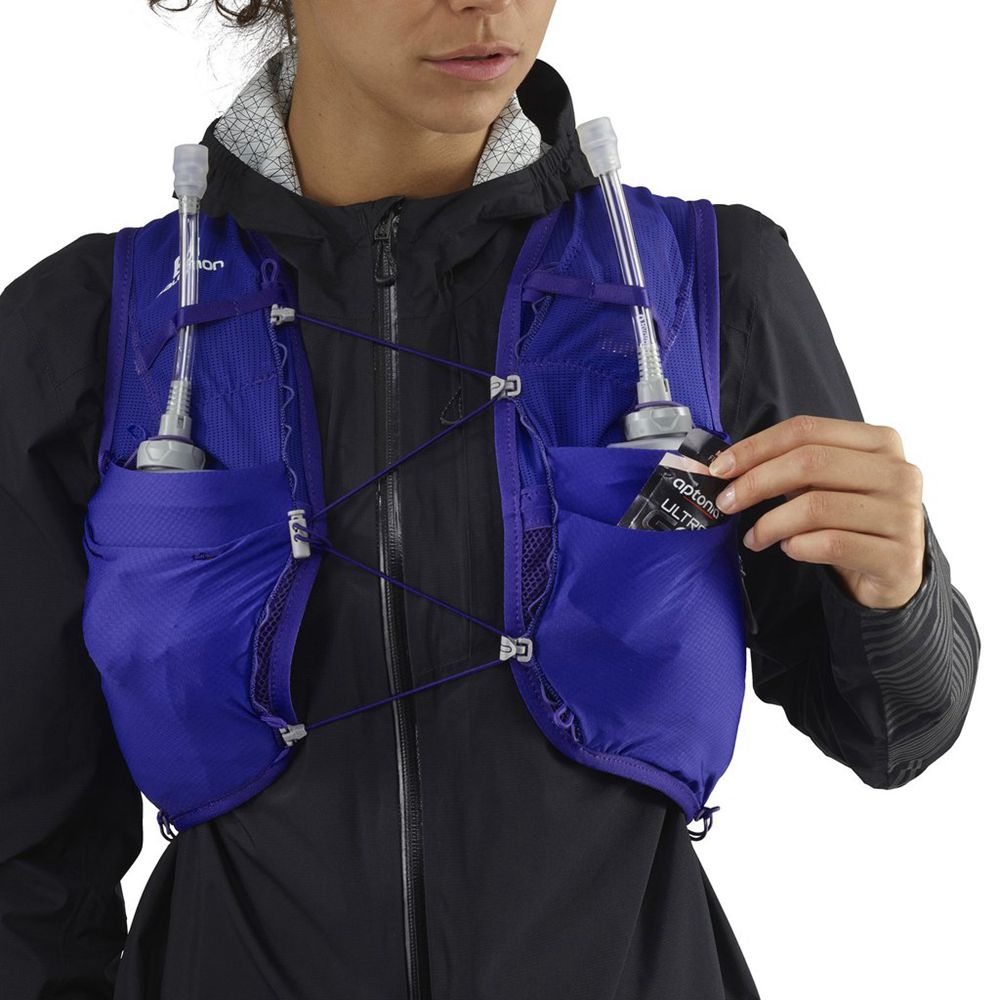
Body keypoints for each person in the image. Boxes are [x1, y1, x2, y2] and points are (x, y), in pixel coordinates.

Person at [0, 1, 981, 998]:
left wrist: (896, 594)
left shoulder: (704, 286)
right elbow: (24, 869)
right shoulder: (89, 329)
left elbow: (892, 731)